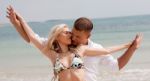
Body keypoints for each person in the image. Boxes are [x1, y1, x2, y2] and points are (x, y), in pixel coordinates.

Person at [7, 6, 142, 81]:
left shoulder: (85, 49)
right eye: (71, 33)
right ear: (57, 36)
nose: (73, 37)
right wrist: (17, 22)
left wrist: (130, 46)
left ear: (88, 36)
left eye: (77, 36)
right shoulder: (53, 52)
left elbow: (113, 61)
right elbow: (31, 37)